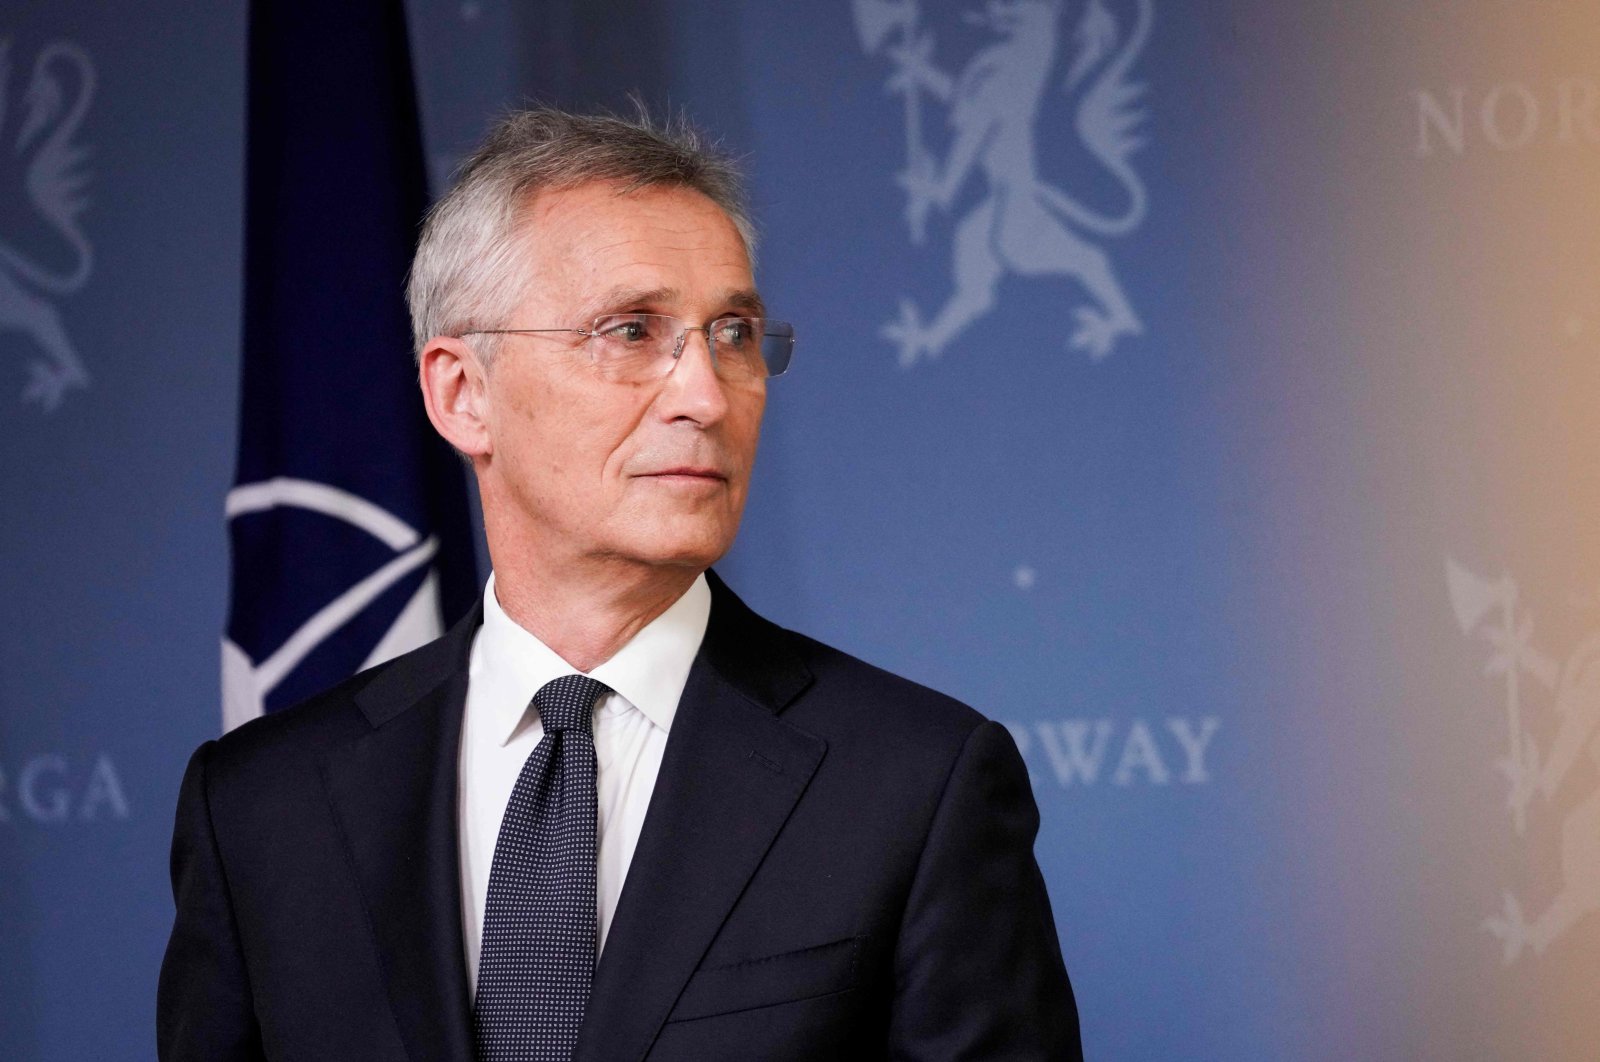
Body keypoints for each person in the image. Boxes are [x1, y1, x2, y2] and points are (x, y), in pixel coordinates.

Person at [158, 107, 1081, 1061]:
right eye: (632, 330)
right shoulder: (260, 809)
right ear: (461, 393)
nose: (707, 395)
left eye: (733, 334)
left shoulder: (916, 786)